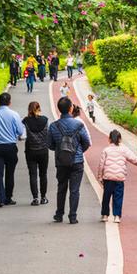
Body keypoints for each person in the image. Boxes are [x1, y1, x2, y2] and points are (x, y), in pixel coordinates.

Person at [48, 96, 91, 224]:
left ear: (59, 109)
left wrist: (60, 151)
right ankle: (73, 216)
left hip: (61, 162)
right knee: (75, 190)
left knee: (61, 187)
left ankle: (59, 214)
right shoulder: (79, 124)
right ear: (71, 108)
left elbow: (50, 144)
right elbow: (86, 142)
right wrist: (78, 152)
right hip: (77, 161)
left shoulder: (53, 126)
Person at [0, 91, 25, 208]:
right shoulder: (14, 115)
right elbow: (20, 132)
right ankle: (8, 197)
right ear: (9, 102)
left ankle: (0, 199)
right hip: (11, 147)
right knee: (10, 173)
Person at [97, 129, 137, 223]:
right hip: (119, 178)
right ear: (120, 139)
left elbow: (101, 164)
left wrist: (100, 177)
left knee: (106, 196)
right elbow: (133, 159)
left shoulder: (106, 150)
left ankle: (105, 215)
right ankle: (117, 216)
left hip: (108, 178)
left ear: (109, 139)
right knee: (118, 197)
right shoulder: (124, 149)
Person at [22, 101, 49, 206]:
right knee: (43, 174)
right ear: (39, 108)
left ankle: (35, 198)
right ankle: (43, 197)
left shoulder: (25, 121)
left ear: (29, 109)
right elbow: (48, 133)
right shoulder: (45, 120)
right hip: (43, 150)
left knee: (33, 175)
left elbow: (22, 136)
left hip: (30, 151)